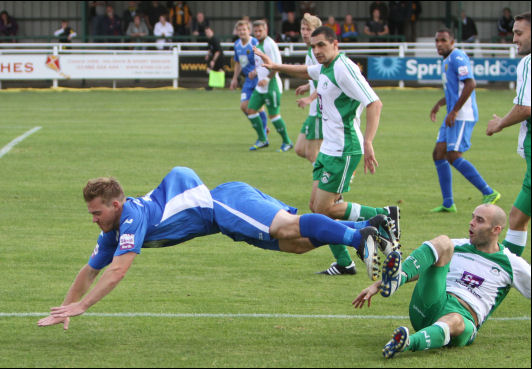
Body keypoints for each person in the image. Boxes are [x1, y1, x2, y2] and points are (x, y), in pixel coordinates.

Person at [37, 166, 398, 329]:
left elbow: (118, 269)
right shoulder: (112, 230)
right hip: (224, 220)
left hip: (224, 202)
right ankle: (369, 227)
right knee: (297, 245)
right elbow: (91, 269)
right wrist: (67, 306)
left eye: (97, 212)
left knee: (288, 227)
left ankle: (358, 238)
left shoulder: (130, 217)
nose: (94, 219)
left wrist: (85, 305)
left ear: (114, 205)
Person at [254, 26, 401, 276]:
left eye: (322, 45)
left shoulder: (344, 68)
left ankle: (379, 219)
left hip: (345, 148)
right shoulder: (326, 66)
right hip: (328, 149)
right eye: (313, 46)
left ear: (336, 44)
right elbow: (306, 70)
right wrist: (275, 67)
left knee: (323, 211)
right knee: (316, 207)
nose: (317, 50)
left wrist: (368, 142)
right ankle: (353, 253)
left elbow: (375, 103)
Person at [353, 204, 531, 359]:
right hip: (432, 302)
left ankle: (407, 342)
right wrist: (378, 285)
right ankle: (397, 280)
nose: (471, 223)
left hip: (464, 319)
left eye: (479, 220)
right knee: (443, 242)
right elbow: (423, 268)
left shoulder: (511, 263)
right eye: (472, 218)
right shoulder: (458, 246)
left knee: (455, 320)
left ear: (496, 230)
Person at [429, 28, 500, 213]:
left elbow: (470, 84)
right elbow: (455, 89)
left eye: (443, 40)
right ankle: (448, 203)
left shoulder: (458, 56)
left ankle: (489, 192)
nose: (439, 44)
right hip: (452, 113)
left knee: (453, 155)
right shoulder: (447, 60)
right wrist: (440, 104)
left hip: (462, 115)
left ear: (452, 41)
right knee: (438, 153)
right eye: (437, 40)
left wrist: (454, 111)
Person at [486, 12, 531, 257]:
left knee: (516, 218)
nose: (514, 38)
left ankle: (501, 276)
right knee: (516, 218)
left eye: (519, 33)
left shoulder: (529, 63)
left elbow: (525, 107)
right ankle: (506, 273)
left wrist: (500, 123)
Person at [246, 20, 293, 152]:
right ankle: (262, 139)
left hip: (271, 85)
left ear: (266, 30)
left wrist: (267, 78)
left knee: (274, 115)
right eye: (255, 31)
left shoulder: (270, 44)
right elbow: (261, 64)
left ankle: (287, 142)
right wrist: (255, 72)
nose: (258, 33)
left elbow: (276, 65)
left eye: (260, 31)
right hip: (260, 87)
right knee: (251, 110)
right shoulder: (257, 44)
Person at [229, 19, 269, 150]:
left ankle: (262, 134)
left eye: (244, 29)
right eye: (240, 30)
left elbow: (263, 58)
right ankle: (262, 130)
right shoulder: (236, 45)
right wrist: (234, 78)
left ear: (249, 31)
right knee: (243, 106)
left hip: (258, 78)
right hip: (247, 80)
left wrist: (258, 71)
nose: (242, 32)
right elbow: (238, 63)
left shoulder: (254, 43)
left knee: (255, 107)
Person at [294, 13, 323, 164]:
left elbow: (327, 81)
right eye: (302, 29)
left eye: (308, 29)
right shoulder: (310, 52)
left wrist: (310, 98)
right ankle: (334, 172)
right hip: (314, 107)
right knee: (299, 149)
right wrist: (308, 85)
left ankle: (328, 182)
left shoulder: (319, 53)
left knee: (312, 153)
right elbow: (317, 77)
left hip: (320, 108)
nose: (304, 32)